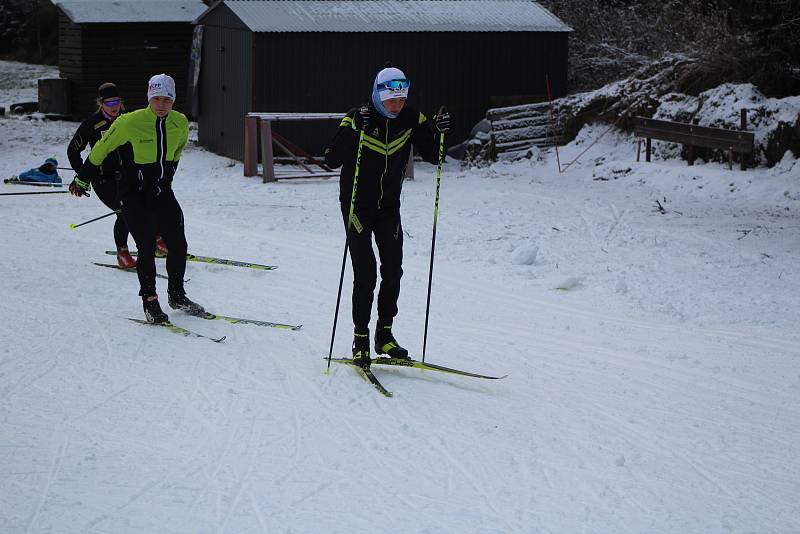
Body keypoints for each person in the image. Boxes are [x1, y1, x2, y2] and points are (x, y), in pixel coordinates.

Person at [324, 64, 451, 368]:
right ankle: (360, 338)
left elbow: (435, 155)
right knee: (365, 273)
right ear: (379, 96)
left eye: (402, 99)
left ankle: (385, 334)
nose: (397, 105)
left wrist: (440, 131)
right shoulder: (359, 116)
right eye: (392, 100)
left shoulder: (411, 118)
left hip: (388, 207)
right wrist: (354, 128)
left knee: (393, 270)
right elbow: (330, 159)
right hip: (356, 206)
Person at [70, 73, 204, 324]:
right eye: (156, 99)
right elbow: (101, 149)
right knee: (145, 246)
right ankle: (150, 302)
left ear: (173, 100)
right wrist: (82, 178)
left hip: (162, 191)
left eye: (167, 99)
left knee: (179, 245)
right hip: (133, 193)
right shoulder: (129, 122)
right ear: (149, 98)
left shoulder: (180, 122)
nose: (161, 104)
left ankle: (176, 295)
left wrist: (168, 174)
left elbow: (176, 151)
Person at [68, 82, 168, 269]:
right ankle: (122, 252)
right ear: (101, 104)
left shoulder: (128, 119)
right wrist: (83, 175)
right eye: (109, 103)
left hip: (128, 174)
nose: (114, 107)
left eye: (117, 102)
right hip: (103, 179)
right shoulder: (92, 124)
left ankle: (156, 239)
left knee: (148, 201)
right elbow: (73, 150)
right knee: (124, 212)